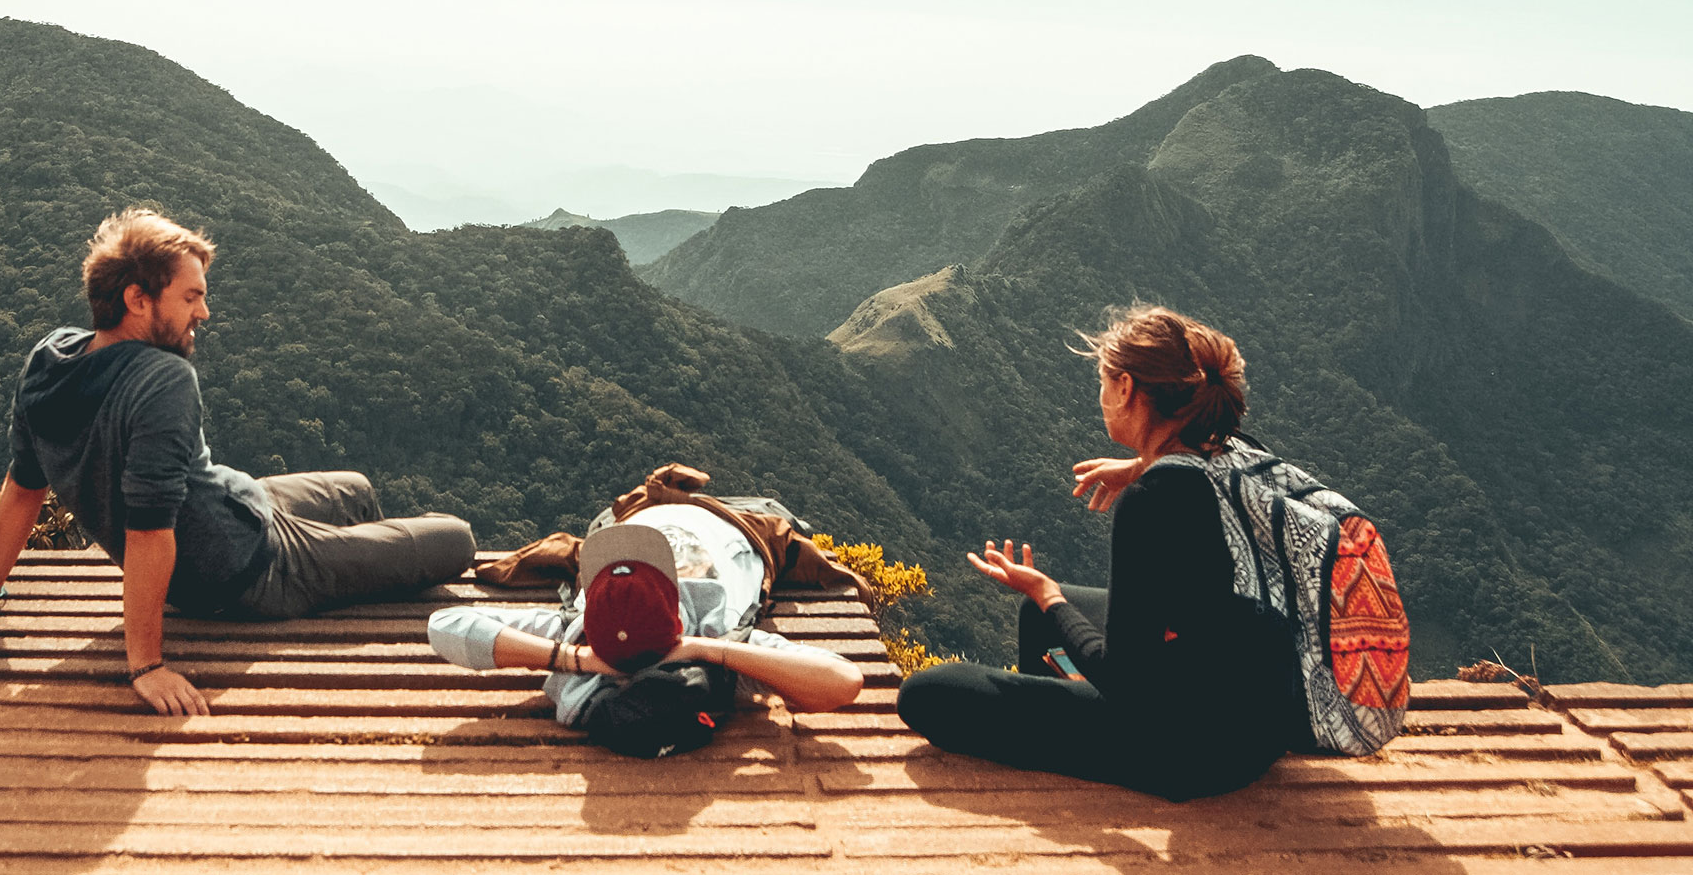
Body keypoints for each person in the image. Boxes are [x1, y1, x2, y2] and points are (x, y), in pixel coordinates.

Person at [0, 208, 478, 715]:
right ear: (138, 300)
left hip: (237, 504)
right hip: (249, 568)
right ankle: (348, 571)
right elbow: (148, 529)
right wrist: (146, 665)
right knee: (457, 539)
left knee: (355, 488)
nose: (205, 312)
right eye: (191, 297)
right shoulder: (163, 380)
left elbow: (24, 483)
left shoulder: (50, 359)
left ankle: (360, 562)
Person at [895, 304, 1306, 800]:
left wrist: (1048, 593)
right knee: (1035, 612)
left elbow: (1127, 683)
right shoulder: (1235, 450)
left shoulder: (1151, 502)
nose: (1102, 395)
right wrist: (1140, 465)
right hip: (1263, 720)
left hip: (1196, 752)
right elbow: (1194, 481)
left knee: (927, 693)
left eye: (1104, 382)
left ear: (1127, 387)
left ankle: (1079, 740)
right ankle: (1066, 730)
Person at [427, 501, 866, 726]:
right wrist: (701, 648)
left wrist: (574, 658)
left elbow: (443, 625)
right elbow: (843, 682)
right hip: (738, 519)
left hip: (626, 516)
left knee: (608, 516)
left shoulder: (576, 633)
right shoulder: (716, 632)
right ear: (677, 609)